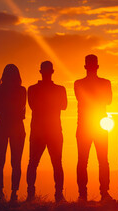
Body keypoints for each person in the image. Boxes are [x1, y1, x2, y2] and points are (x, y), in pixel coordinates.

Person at [26, 61, 67, 202]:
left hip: (40, 130)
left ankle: (31, 196)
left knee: (34, 163)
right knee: (55, 163)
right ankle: (58, 195)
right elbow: (63, 105)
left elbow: (34, 106)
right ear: (52, 71)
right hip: (53, 130)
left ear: (40, 71)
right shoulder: (60, 89)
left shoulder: (32, 89)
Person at [74, 54, 113, 202]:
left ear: (85, 67)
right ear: (97, 66)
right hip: (97, 125)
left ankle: (85, 194)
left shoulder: (79, 83)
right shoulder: (105, 83)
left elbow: (85, 99)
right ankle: (100, 193)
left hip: (89, 125)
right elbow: (107, 100)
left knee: (85, 161)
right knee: (100, 160)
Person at [0, 64, 26, 202]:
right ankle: (13, 192)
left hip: (2, 126)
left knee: (0, 161)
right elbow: (20, 108)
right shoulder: (21, 90)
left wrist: (3, 111)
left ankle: (1, 192)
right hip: (16, 126)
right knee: (15, 162)